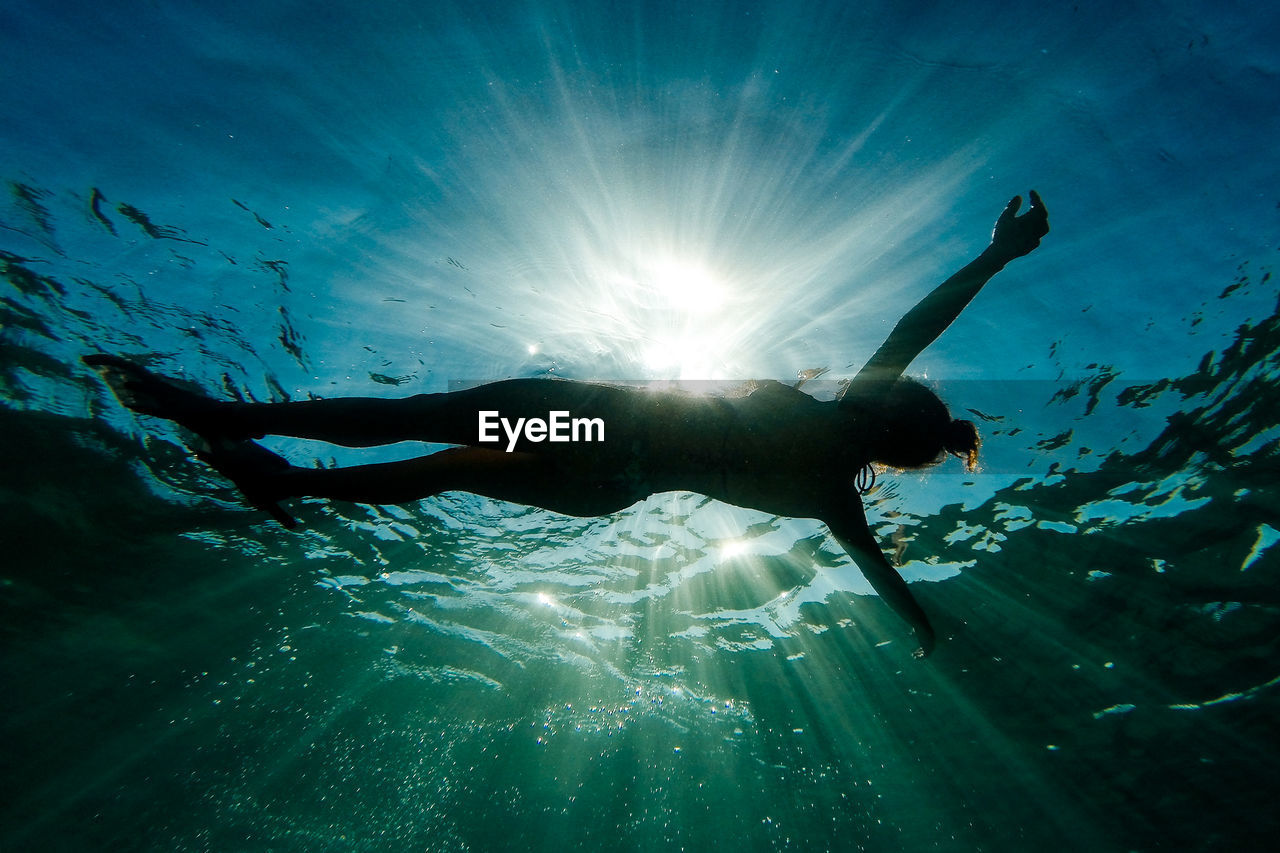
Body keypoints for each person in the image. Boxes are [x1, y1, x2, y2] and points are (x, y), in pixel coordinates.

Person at [85, 191, 1049, 657]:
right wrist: (924, 624)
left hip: (597, 437)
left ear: (890, 417)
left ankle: (240, 432)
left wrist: (998, 255)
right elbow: (882, 570)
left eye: (888, 391)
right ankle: (276, 473)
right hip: (599, 461)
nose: (877, 381)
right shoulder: (832, 490)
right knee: (441, 456)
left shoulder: (837, 455)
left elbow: (918, 325)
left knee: (425, 433)